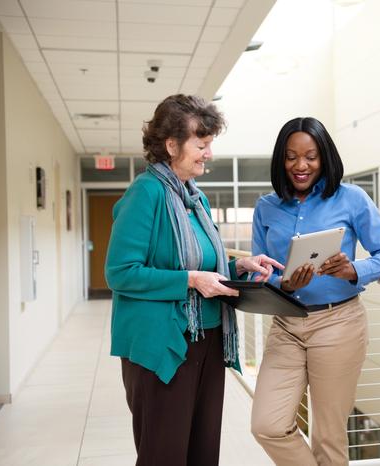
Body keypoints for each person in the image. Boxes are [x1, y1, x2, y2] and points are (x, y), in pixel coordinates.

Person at [105, 94, 282, 466]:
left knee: (202, 451)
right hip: (165, 345)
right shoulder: (146, 193)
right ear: (171, 145)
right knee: (164, 454)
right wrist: (188, 280)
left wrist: (240, 269)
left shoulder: (193, 198)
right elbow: (120, 273)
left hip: (208, 339)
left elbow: (203, 269)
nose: (209, 154)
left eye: (209, 145)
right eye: (201, 145)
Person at [250, 117, 380, 465]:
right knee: (267, 425)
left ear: (325, 157)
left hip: (340, 324)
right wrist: (283, 283)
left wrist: (354, 269)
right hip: (286, 324)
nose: (301, 166)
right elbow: (258, 274)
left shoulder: (352, 199)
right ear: (281, 160)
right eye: (291, 157)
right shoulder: (266, 207)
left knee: (329, 437)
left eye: (311, 156)